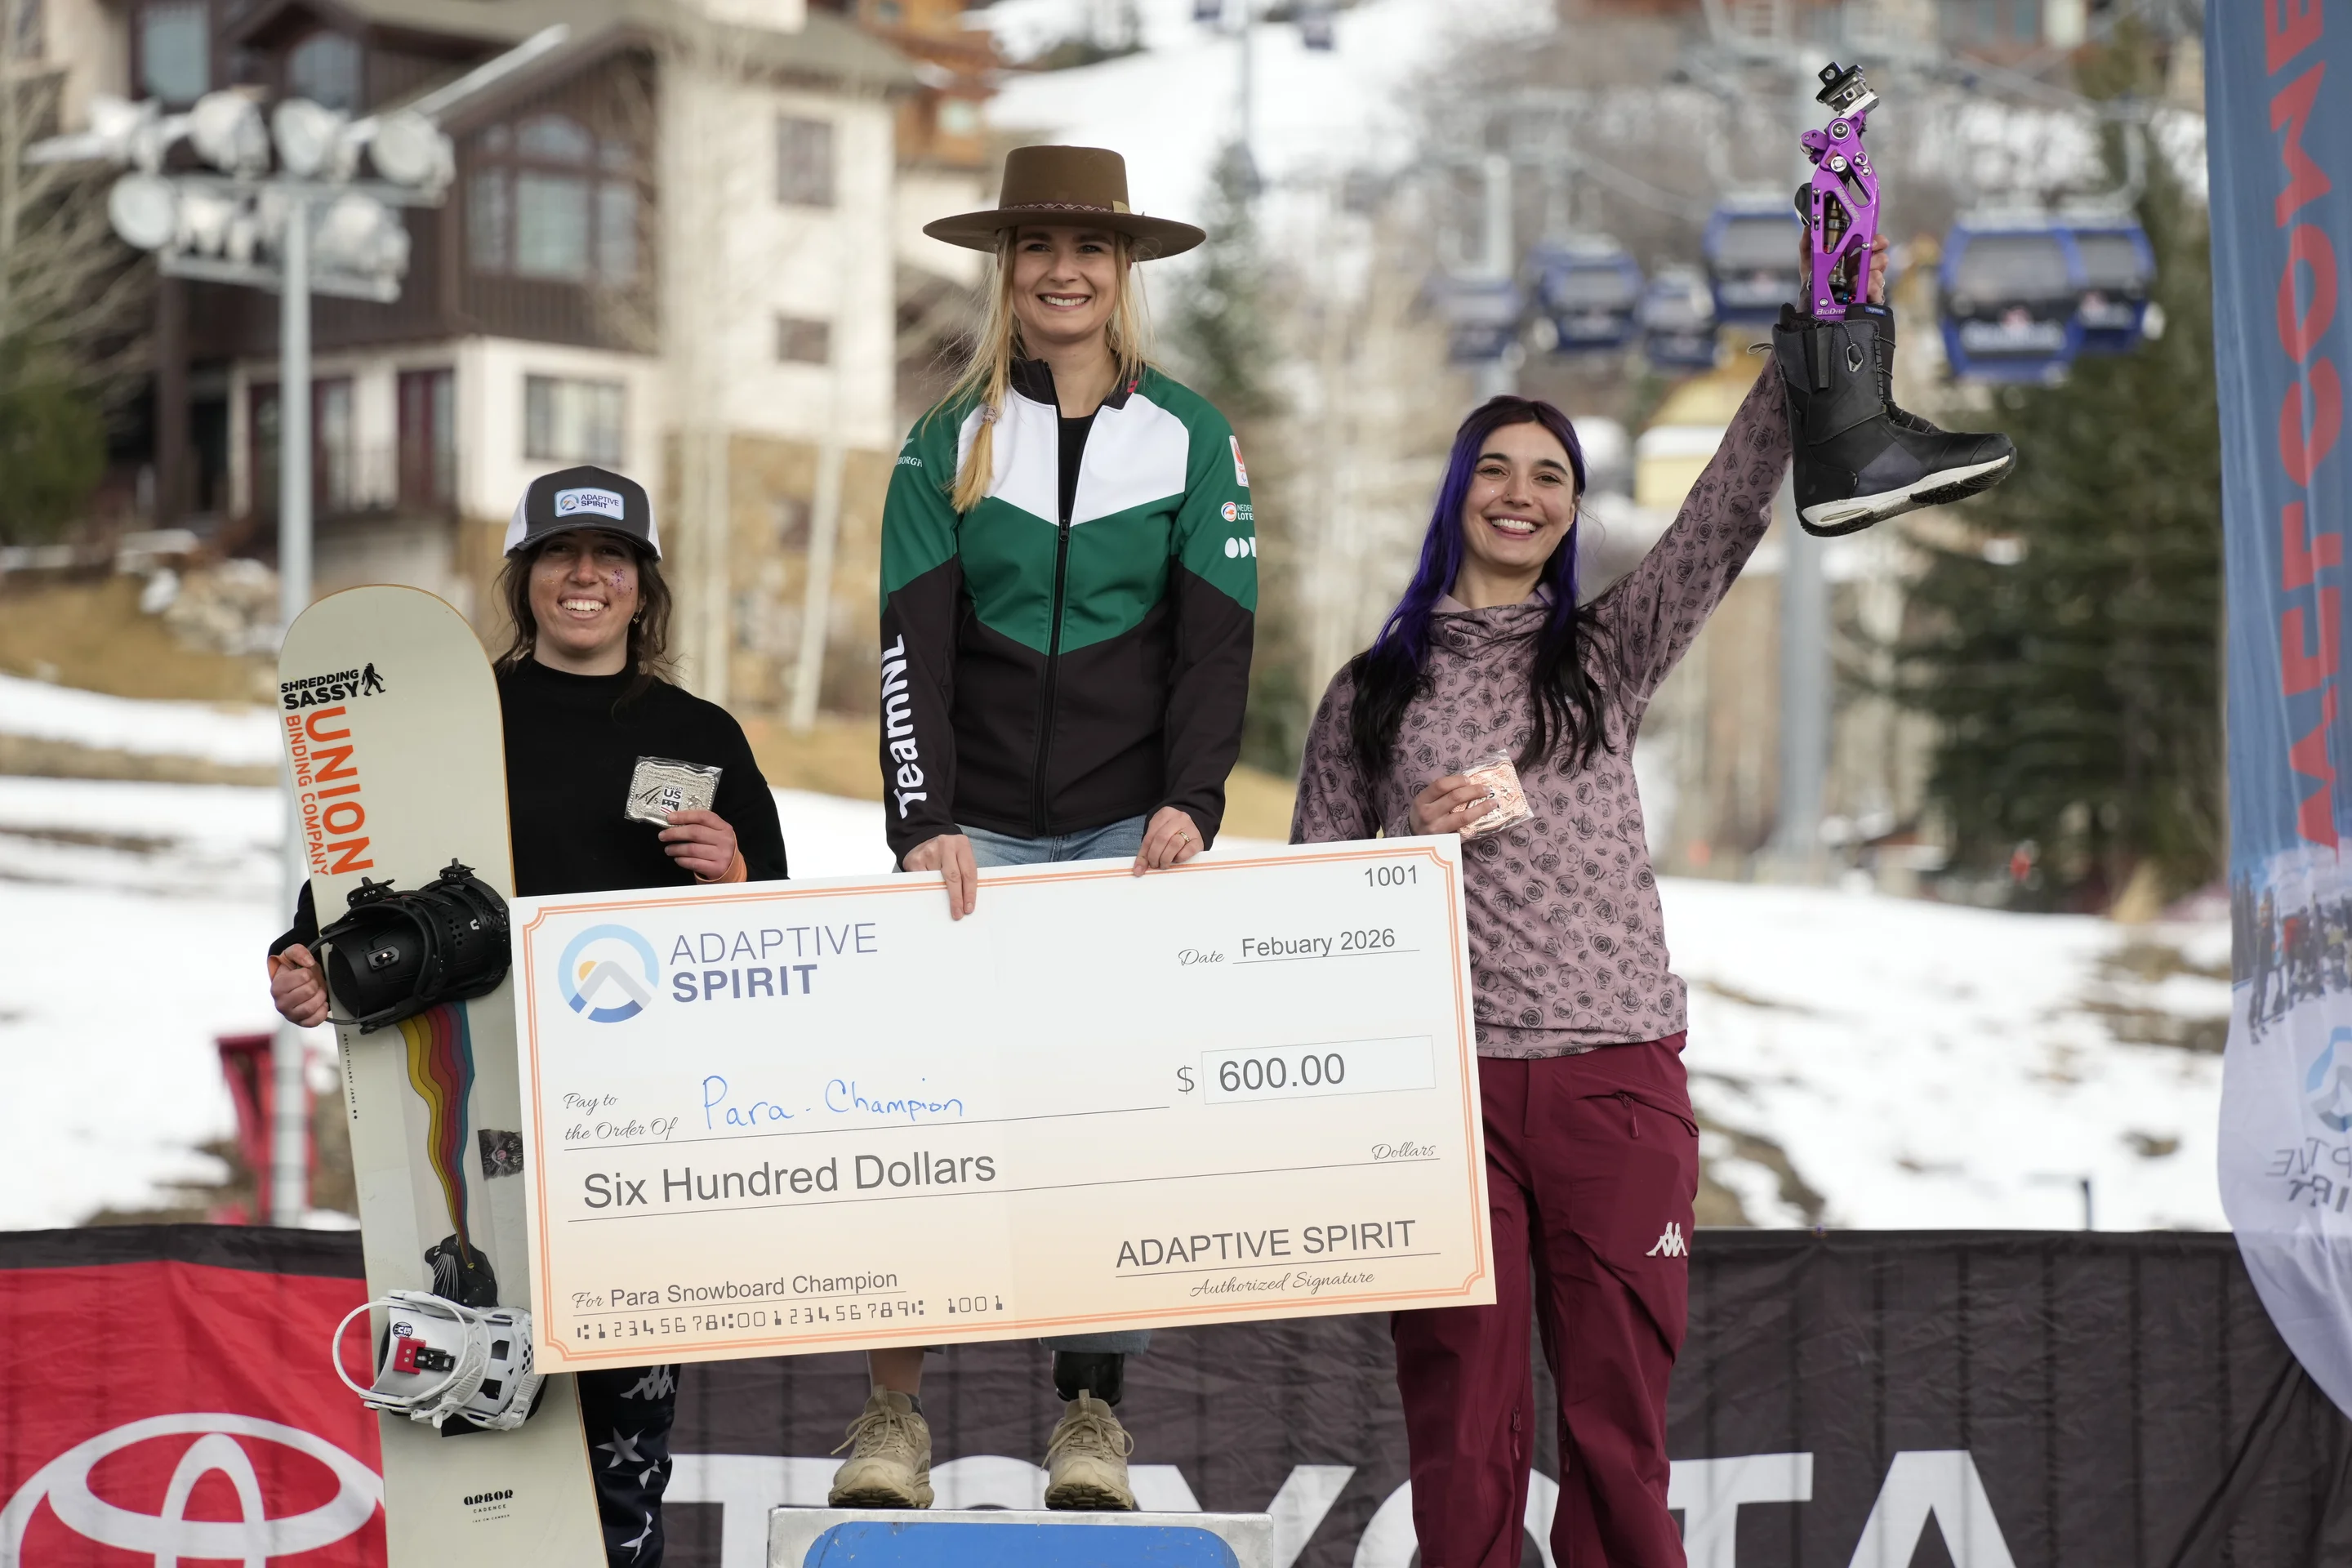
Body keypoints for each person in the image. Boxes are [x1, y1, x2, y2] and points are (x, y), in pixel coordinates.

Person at [1290, 246, 1889, 1566]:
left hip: (1613, 1089)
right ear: (1458, 496)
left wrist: (1817, 326)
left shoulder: (1606, 655)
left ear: (1571, 511)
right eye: (1496, 469)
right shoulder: (1370, 694)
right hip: (1443, 1107)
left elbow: (1726, 515)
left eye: (1550, 474)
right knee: (1463, 1435)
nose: (1521, 493)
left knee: (1619, 1436)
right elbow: (1313, 921)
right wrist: (1405, 840)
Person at [831, 143, 1257, 1513]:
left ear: (1124, 271)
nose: (1064, 272)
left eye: (1090, 248)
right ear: (1004, 267)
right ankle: (891, 1419)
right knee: (932, 1116)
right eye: (1037, 247)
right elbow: (913, 652)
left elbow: (1218, 648)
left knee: (1109, 1131)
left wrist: (1192, 804)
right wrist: (923, 821)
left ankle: (1091, 1414)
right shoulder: (942, 439)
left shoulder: (1193, 435)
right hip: (975, 840)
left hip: (1132, 835)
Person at [265, 465, 787, 1568]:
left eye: (611, 560)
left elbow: (777, 947)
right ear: (526, 575)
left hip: (637, 1138)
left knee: (619, 1464)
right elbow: (352, 899)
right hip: (464, 1119)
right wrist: (298, 961)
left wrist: (733, 875)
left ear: (644, 588)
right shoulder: (457, 720)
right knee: (473, 1442)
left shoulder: (699, 737)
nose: (585, 577)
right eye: (560, 555)